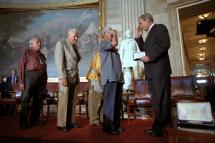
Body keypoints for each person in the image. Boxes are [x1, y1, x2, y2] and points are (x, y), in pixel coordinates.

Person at [135, 13, 172, 137]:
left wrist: (150, 57)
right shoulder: (150, 33)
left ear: (147, 20)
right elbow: (145, 51)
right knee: (157, 101)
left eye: (140, 23)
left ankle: (161, 129)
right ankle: (158, 128)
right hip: (153, 72)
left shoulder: (159, 28)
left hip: (159, 71)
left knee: (161, 101)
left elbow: (165, 44)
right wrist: (139, 38)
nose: (139, 25)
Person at [55, 28, 81, 132]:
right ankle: (61, 124)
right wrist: (62, 76)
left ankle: (70, 121)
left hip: (75, 75)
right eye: (74, 36)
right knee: (64, 100)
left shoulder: (74, 46)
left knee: (72, 100)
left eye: (77, 36)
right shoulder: (61, 43)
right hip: (66, 76)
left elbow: (76, 59)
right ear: (68, 35)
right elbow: (59, 61)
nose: (76, 38)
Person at [99, 26, 124, 135]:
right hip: (110, 78)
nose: (112, 34)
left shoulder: (113, 49)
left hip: (117, 78)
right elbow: (114, 43)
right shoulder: (103, 44)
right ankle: (109, 127)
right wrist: (115, 34)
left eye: (112, 33)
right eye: (109, 33)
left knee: (117, 104)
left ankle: (116, 126)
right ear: (104, 35)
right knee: (110, 104)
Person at [19, 36, 47, 129]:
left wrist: (45, 82)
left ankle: (34, 120)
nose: (40, 44)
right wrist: (21, 82)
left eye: (40, 42)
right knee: (25, 100)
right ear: (31, 44)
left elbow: (44, 69)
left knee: (38, 100)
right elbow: (21, 67)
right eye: (37, 42)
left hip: (41, 79)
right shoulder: (27, 52)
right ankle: (23, 122)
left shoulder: (42, 55)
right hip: (30, 77)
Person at [86, 50, 103, 126]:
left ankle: (100, 119)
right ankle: (94, 120)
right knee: (95, 101)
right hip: (95, 78)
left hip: (100, 78)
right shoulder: (99, 54)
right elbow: (98, 68)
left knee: (101, 100)